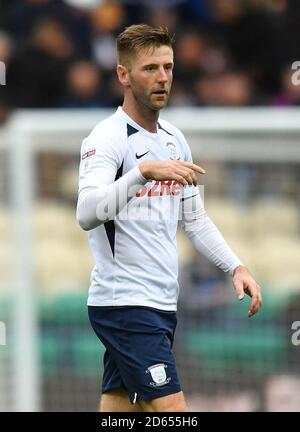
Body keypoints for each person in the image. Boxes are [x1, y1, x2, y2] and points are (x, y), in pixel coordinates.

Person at [76, 23, 262, 413]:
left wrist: (236, 266)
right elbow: (87, 213)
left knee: (120, 411)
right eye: (150, 69)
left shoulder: (174, 139)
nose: (162, 78)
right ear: (123, 75)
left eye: (168, 67)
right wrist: (141, 174)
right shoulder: (106, 138)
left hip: (160, 303)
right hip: (126, 304)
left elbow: (193, 219)